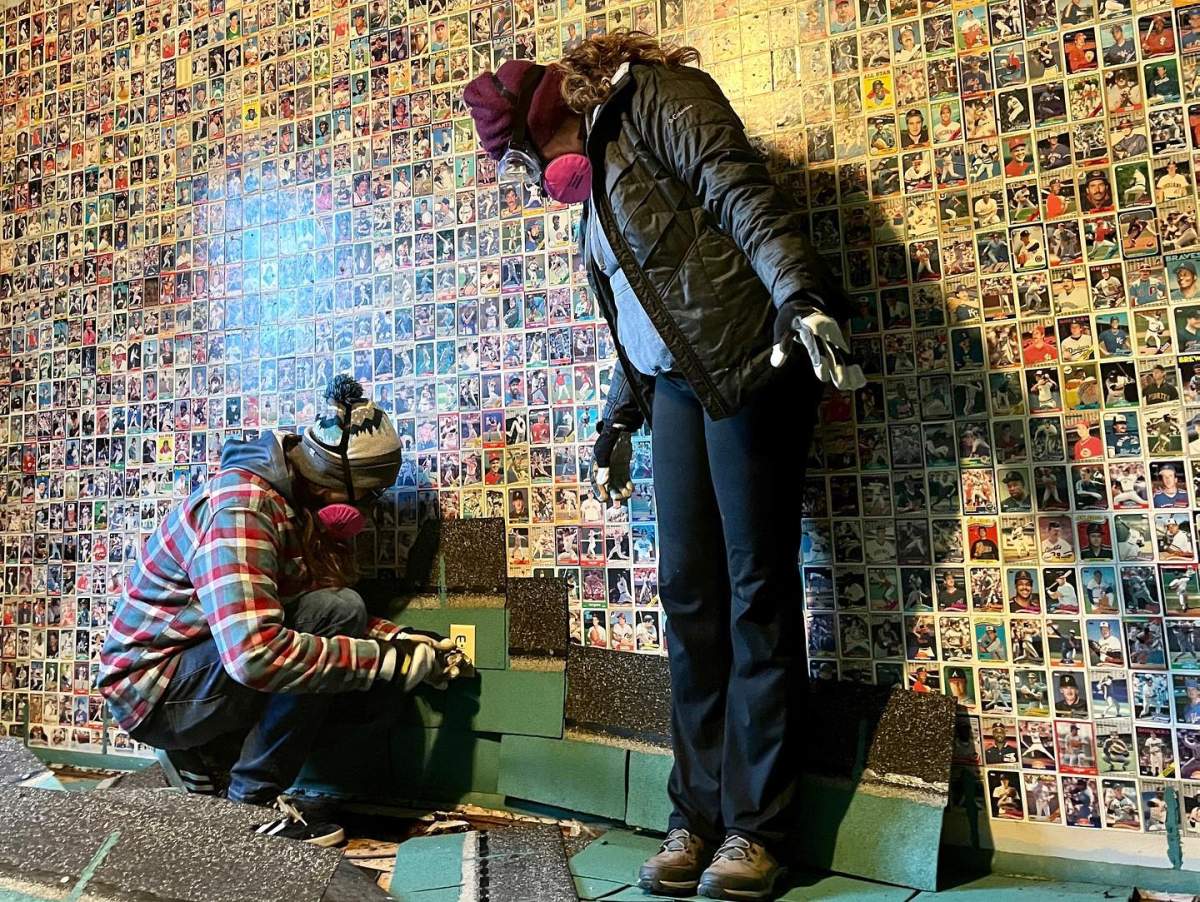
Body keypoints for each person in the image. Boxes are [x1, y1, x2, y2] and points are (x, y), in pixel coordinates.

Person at [464, 32, 861, 902]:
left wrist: (799, 296)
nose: (537, 179)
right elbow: (649, 309)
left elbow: (736, 190)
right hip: (677, 386)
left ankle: (758, 830)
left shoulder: (660, 99)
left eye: (530, 158)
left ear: (554, 116)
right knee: (689, 594)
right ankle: (698, 816)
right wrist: (617, 418)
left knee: (756, 589)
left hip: (750, 359)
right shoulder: (599, 193)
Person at [97, 377, 473, 845]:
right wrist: (384, 664)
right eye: (373, 496)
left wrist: (397, 640)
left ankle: (206, 755)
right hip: (154, 692)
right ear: (339, 483)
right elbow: (254, 654)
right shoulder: (244, 508)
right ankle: (250, 806)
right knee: (338, 612)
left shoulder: (288, 501)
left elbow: (300, 604)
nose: (371, 513)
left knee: (340, 611)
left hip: (189, 673)